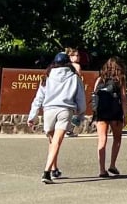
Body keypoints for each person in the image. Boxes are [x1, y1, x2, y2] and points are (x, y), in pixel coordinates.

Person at [28, 53, 86, 185]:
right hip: (65, 110)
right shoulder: (74, 78)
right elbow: (81, 99)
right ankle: (47, 171)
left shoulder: (47, 77)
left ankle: (53, 169)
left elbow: (38, 99)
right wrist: (80, 113)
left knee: (52, 141)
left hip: (48, 110)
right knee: (57, 141)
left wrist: (33, 116)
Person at [92, 57, 127, 178]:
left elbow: (94, 96)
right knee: (117, 139)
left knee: (102, 140)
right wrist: (125, 114)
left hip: (101, 113)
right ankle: (112, 164)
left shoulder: (99, 79)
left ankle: (102, 169)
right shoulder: (120, 79)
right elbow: (123, 98)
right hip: (114, 112)